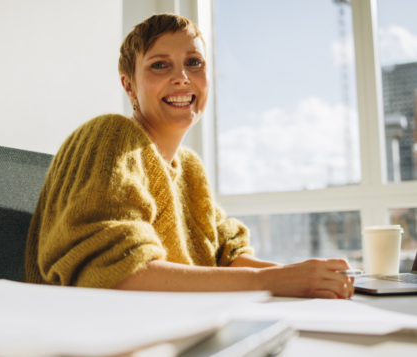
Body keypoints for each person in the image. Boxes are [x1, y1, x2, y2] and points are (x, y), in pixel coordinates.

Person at [24, 13, 354, 299]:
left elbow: (225, 258)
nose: (182, 76)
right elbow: (114, 274)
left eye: (193, 63)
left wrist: (311, 278)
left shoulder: (191, 168)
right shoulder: (110, 134)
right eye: (159, 65)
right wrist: (269, 281)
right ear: (129, 87)